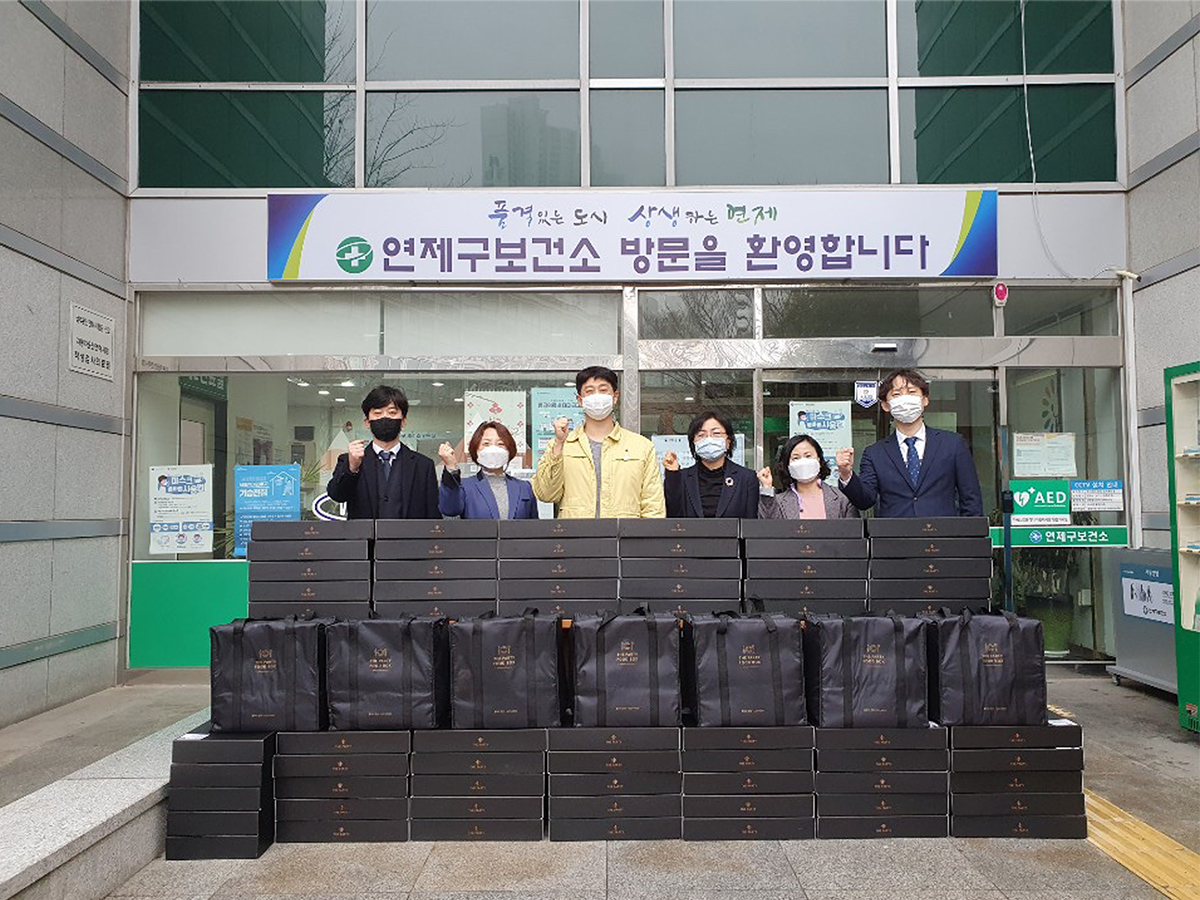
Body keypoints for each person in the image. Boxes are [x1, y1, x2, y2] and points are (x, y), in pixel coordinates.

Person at [836, 368, 983, 517]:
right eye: (897, 394)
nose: (905, 399)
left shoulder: (953, 444)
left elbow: (971, 498)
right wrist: (846, 474)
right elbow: (865, 500)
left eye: (912, 392)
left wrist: (969, 531)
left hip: (942, 531)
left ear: (925, 400)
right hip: (895, 531)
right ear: (885, 405)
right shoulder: (874, 453)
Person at [531, 366, 665, 518]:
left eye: (603, 390)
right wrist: (559, 445)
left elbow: (654, 507)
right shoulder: (562, 445)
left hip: (624, 533)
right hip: (575, 532)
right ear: (580, 400)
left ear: (615, 397)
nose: (597, 396)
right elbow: (546, 494)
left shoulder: (641, 447)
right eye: (589, 391)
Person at [326, 384, 439, 519]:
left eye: (392, 412)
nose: (385, 417)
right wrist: (352, 468)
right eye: (378, 413)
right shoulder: (349, 460)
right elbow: (336, 495)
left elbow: (433, 514)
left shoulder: (423, 465)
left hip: (410, 533)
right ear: (367, 422)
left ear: (403, 421)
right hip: (365, 533)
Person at [662, 410, 758, 518]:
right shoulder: (682, 478)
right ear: (694, 443)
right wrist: (672, 474)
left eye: (716, 433)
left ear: (728, 442)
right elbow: (672, 515)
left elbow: (751, 522)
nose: (709, 439)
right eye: (701, 435)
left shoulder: (746, 478)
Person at [437, 421, 538, 520]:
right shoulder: (464, 487)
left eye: (500, 444)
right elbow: (450, 510)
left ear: (509, 450)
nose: (493, 449)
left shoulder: (525, 487)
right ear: (475, 449)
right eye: (486, 443)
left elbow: (534, 526)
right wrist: (451, 466)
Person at [758, 433, 859, 519]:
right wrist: (766, 488)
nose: (803, 461)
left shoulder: (841, 497)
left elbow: (854, 531)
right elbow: (769, 526)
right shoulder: (779, 501)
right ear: (788, 465)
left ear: (819, 460)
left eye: (808, 456)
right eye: (796, 458)